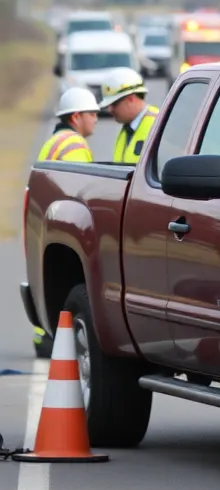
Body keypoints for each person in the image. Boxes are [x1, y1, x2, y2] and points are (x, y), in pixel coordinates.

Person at [32, 87, 100, 355]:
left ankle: (44, 336)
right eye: (91, 114)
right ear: (75, 117)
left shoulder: (54, 140)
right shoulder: (74, 145)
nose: (96, 119)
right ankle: (61, 338)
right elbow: (81, 190)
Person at [99, 67, 159, 163]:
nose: (110, 109)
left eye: (114, 103)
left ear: (130, 99)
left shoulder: (158, 124)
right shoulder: (127, 130)